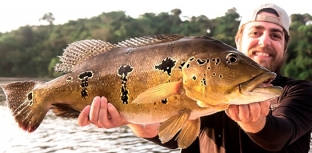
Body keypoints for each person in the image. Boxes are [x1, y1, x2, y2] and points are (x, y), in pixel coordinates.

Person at [77, 3, 312, 153]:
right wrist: (130, 118)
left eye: (275, 35)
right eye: (255, 32)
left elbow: (280, 137)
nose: (264, 42)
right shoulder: (206, 96)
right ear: (238, 40)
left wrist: (254, 123)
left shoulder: (301, 92)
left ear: (285, 45)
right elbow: (169, 136)